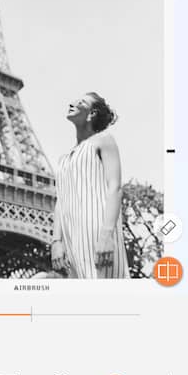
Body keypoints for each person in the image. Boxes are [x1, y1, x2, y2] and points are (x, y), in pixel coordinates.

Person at [51, 92, 129, 279]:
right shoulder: (64, 159)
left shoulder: (103, 140)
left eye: (81, 101)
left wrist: (107, 234)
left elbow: (115, 187)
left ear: (92, 113)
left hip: (97, 230)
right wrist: (56, 241)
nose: (72, 102)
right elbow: (61, 201)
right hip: (72, 238)